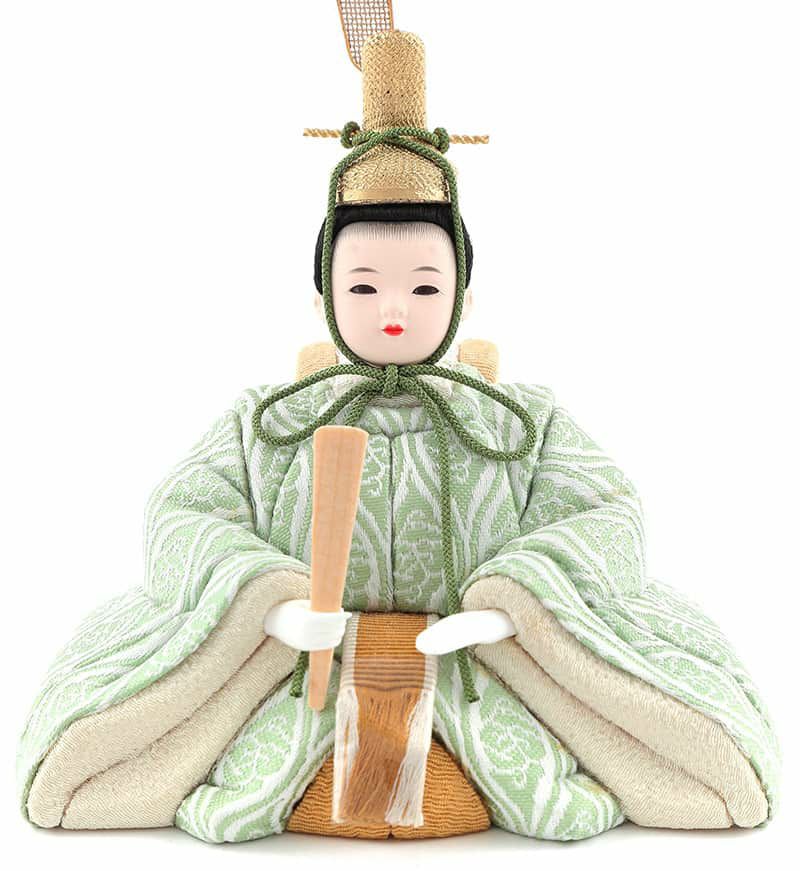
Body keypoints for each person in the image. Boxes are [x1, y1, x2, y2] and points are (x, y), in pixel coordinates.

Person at [18, 29, 778, 844]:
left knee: (687, 765)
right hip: (297, 675)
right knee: (125, 762)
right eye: (362, 286)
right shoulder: (268, 421)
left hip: (483, 671)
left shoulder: (519, 421)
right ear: (323, 300)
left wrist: (512, 607)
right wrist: (266, 605)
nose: (392, 309)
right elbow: (179, 517)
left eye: (423, 286)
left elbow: (608, 516)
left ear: (462, 298)